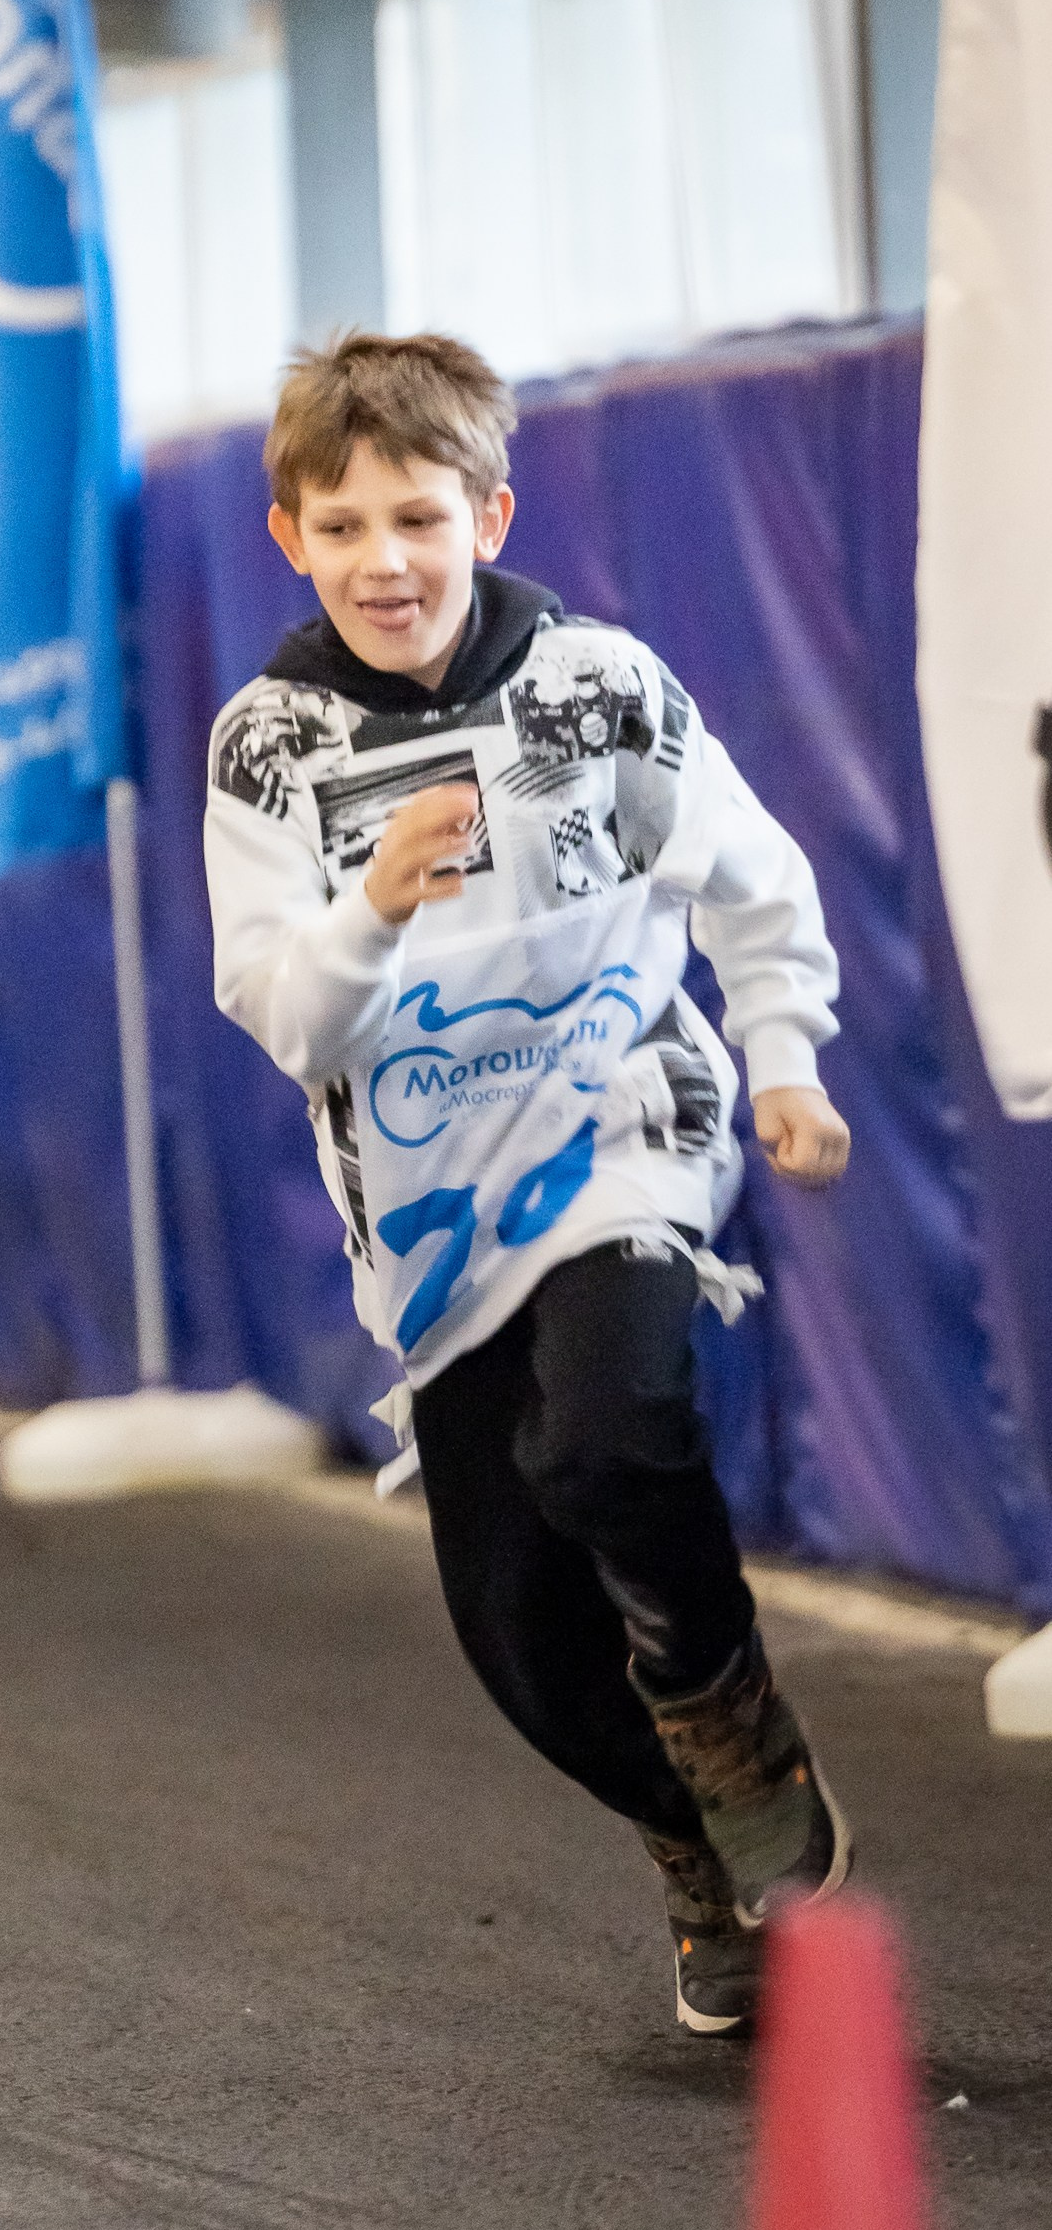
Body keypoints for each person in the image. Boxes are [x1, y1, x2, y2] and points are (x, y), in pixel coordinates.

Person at [204, 332, 854, 2037]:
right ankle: (694, 1846)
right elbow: (280, 1013)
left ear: (487, 512)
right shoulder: (268, 747)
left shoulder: (596, 683)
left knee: (611, 1433)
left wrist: (779, 1059)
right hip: (429, 1216)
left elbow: (751, 882)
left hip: (614, 1128)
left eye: (417, 517)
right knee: (518, 1636)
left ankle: (730, 1721)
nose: (384, 561)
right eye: (340, 527)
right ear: (287, 536)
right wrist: (369, 910)